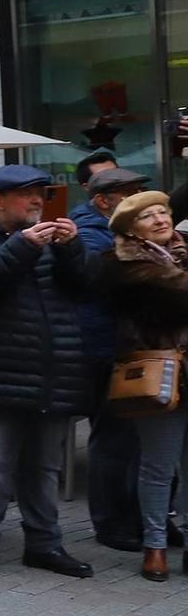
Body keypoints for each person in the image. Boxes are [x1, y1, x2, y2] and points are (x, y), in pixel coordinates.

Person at [0, 163, 94, 582]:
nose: (36, 201)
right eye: (27, 194)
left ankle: (44, 545)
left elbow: (85, 288)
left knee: (44, 469)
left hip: (51, 373)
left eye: (41, 194)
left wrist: (72, 249)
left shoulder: (51, 239)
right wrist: (23, 246)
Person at [97, 190, 188, 582]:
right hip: (158, 373)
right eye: (148, 216)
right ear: (132, 228)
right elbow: (173, 304)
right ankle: (154, 546)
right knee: (158, 465)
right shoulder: (122, 264)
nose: (160, 219)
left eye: (163, 212)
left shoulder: (183, 256)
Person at [72, 166, 151, 552]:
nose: (137, 199)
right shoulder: (89, 233)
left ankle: (139, 519)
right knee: (112, 437)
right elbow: (104, 280)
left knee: (135, 438)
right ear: (103, 200)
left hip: (126, 344)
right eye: (129, 192)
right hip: (103, 347)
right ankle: (111, 522)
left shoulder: (119, 230)